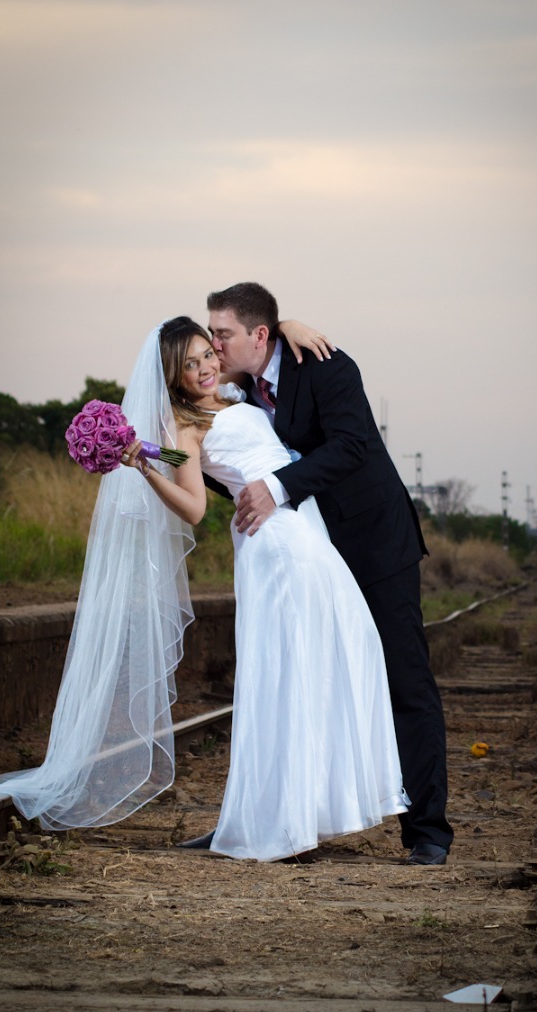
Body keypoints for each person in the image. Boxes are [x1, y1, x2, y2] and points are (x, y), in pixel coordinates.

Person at [123, 317, 408, 861]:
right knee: (286, 668)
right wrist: (144, 466)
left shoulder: (232, 398)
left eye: (208, 353)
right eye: (190, 364)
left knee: (337, 650)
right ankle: (278, 818)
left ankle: (303, 806)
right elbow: (195, 502)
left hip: (303, 527)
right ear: (173, 377)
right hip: (274, 542)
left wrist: (283, 323)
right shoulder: (185, 426)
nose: (206, 366)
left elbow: (194, 460)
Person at [205, 282, 453, 866]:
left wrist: (278, 488)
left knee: (403, 679)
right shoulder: (231, 391)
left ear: (259, 335)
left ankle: (427, 831)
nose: (214, 346)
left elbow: (353, 446)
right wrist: (138, 453)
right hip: (303, 558)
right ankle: (271, 822)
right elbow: (202, 465)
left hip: (372, 542)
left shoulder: (324, 364)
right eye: (210, 334)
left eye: (223, 334)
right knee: (288, 684)